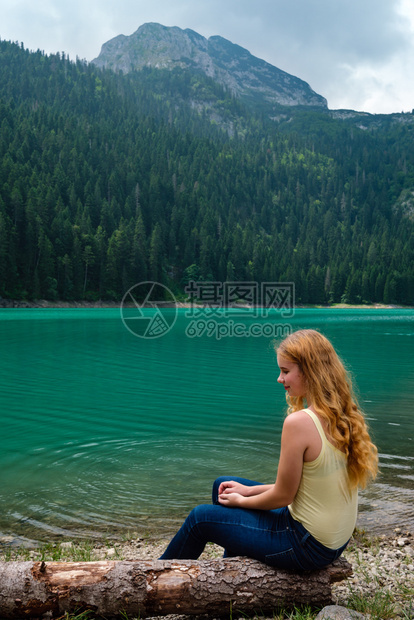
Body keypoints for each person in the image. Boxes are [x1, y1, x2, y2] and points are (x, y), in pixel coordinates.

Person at [159, 329, 378, 570]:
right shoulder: (344, 414)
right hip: (333, 542)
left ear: (309, 371)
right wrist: (243, 491)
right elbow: (303, 489)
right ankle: (234, 572)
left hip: (306, 546)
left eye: (285, 371)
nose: (279, 379)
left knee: (199, 519)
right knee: (223, 484)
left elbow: (284, 496)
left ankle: (152, 582)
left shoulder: (300, 423)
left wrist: (242, 500)